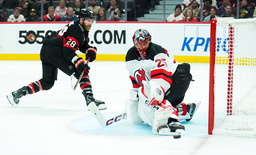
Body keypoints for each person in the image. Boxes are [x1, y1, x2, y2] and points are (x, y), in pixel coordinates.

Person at [6, 9, 106, 110]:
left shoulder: (80, 27)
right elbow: (68, 51)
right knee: (81, 72)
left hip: (47, 50)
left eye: (91, 21)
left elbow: (80, 44)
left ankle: (17, 94)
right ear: (81, 19)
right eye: (88, 21)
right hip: (56, 53)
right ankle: (90, 100)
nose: (90, 23)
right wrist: (79, 62)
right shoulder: (77, 31)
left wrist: (89, 50)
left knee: (47, 82)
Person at [125, 29, 198, 135]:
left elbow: (163, 78)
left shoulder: (157, 51)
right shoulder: (131, 55)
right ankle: (183, 110)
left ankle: (170, 110)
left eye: (145, 43)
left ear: (149, 41)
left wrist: (157, 95)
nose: (142, 47)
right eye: (139, 44)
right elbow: (135, 77)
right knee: (151, 103)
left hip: (175, 78)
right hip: (157, 82)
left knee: (183, 75)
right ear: (134, 43)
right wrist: (137, 95)